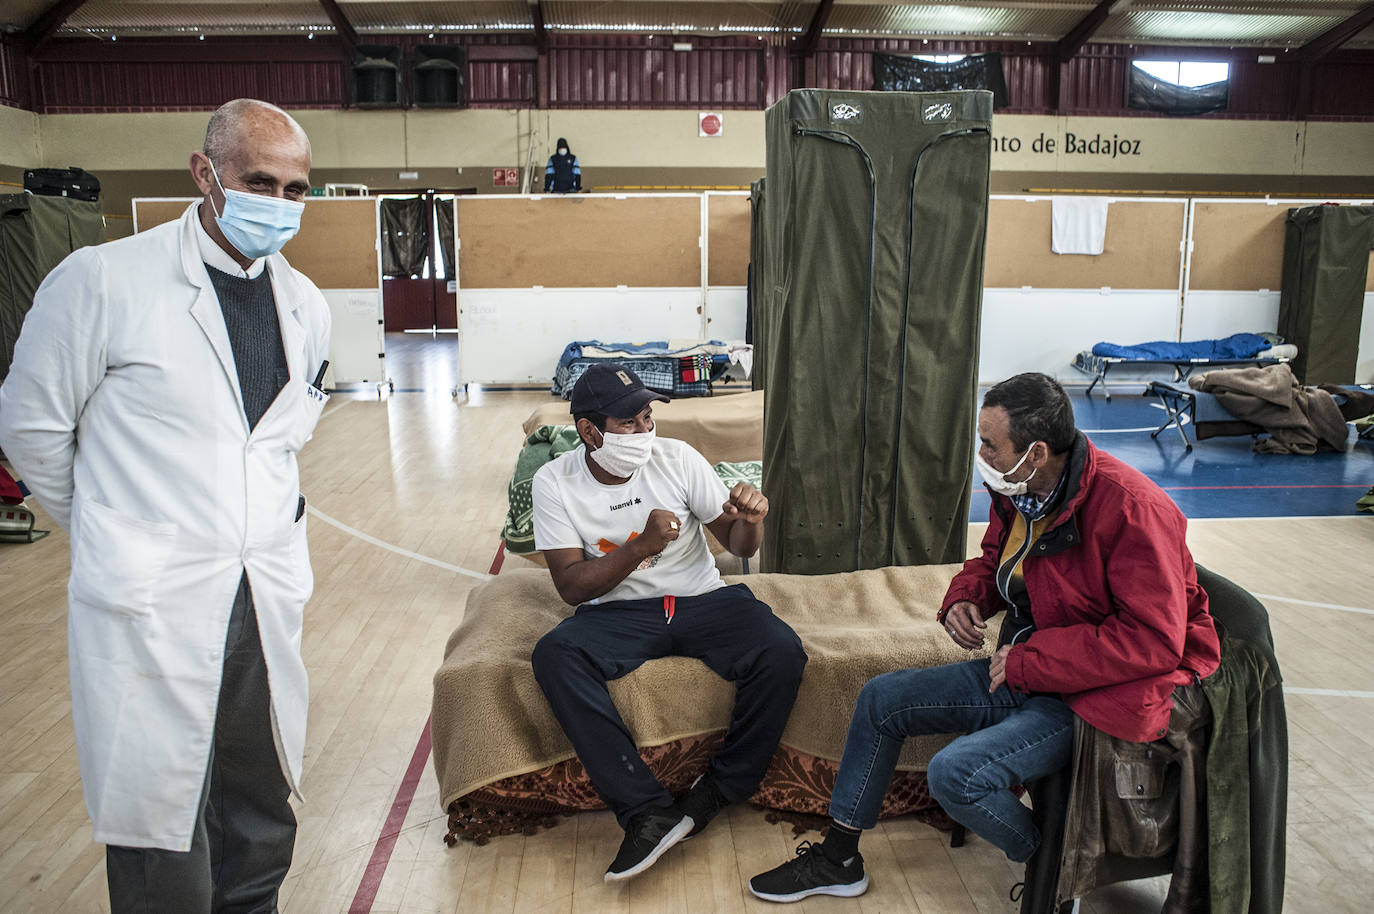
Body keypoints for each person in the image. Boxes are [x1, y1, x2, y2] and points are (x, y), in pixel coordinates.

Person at [0, 98, 331, 913]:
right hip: (150, 596)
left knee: (258, 796)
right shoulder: (105, 280)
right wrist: (114, 530)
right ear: (204, 173)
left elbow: (276, 442)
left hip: (262, 589)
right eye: (261, 181)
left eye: (296, 189)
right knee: (160, 811)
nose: (280, 205)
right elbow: (32, 427)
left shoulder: (306, 304)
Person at [748, 372, 1221, 903]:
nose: (982, 453)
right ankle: (838, 859)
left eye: (990, 443)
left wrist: (1030, 661)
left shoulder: (1134, 509)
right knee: (881, 699)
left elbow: (1153, 642)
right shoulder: (1024, 491)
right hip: (1037, 668)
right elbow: (997, 559)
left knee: (956, 775)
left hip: (1097, 695)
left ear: (1036, 451)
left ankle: (1056, 865)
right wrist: (966, 597)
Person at [530, 363, 806, 882]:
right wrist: (640, 547)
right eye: (627, 424)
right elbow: (570, 586)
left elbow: (739, 547)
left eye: (647, 416)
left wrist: (752, 521)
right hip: (617, 612)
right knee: (554, 655)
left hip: (702, 599)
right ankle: (645, 811)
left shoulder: (677, 458)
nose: (643, 432)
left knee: (781, 649)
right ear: (590, 432)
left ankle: (720, 789)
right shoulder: (555, 481)